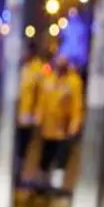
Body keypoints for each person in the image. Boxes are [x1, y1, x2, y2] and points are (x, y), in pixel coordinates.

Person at [35, 55, 84, 190]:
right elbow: (42, 100)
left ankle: (56, 185)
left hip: (64, 128)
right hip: (48, 127)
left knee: (61, 157)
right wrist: (39, 118)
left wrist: (74, 125)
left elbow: (77, 106)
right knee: (46, 155)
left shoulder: (74, 82)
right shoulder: (49, 79)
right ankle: (42, 183)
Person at [16, 41, 44, 185]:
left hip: (27, 116)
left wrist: (37, 115)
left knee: (22, 147)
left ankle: (17, 174)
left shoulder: (37, 69)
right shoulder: (17, 66)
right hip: (14, 114)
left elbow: (40, 93)